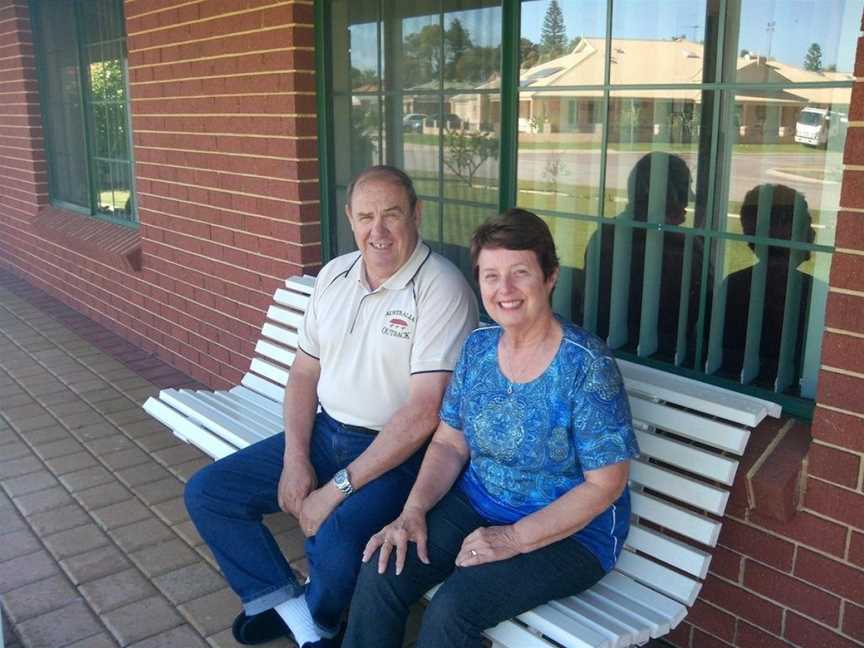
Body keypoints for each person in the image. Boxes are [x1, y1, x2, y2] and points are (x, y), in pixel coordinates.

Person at [184, 166, 478, 647]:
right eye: (365, 217)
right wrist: (295, 459)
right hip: (327, 432)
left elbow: (425, 411)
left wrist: (335, 489)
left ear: (417, 215)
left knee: (337, 540)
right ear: (349, 218)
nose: (377, 231)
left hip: (400, 454)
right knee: (210, 493)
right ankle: (290, 609)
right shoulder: (333, 275)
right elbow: (303, 374)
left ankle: (318, 623)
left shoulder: (440, 288)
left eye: (391, 215)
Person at [343, 209, 639, 648]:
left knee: (454, 607)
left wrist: (514, 538)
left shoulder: (586, 365)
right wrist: (413, 511)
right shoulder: (479, 348)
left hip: (574, 532)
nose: (505, 290)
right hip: (480, 500)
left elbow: (605, 486)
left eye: (520, 273)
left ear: (550, 276)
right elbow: (448, 442)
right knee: (386, 566)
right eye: (490, 275)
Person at [589, 151, 707, 363]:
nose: (689, 199)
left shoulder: (605, 234)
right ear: (663, 194)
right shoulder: (678, 250)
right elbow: (699, 311)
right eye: (682, 190)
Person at [722, 183, 816, 387]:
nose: (812, 232)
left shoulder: (733, 285)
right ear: (783, 231)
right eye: (805, 223)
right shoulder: (816, 296)